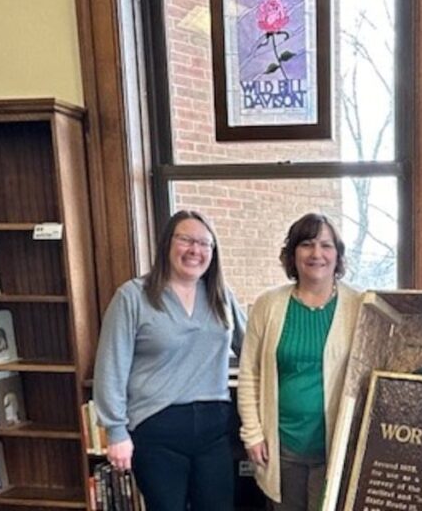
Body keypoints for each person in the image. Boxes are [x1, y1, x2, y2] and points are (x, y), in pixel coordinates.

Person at [94, 210, 245, 511]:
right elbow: (111, 366)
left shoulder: (220, 295)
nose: (195, 250)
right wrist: (116, 431)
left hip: (214, 429)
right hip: (156, 429)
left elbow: (255, 349)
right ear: (166, 244)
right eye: (186, 240)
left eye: (205, 243)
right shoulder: (132, 296)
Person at [237, 213, 364, 510]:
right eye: (307, 244)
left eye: (326, 245)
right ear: (293, 254)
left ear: (338, 255)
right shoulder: (267, 305)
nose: (316, 253)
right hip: (281, 449)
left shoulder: (360, 306)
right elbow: (250, 375)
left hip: (336, 450)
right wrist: (253, 434)